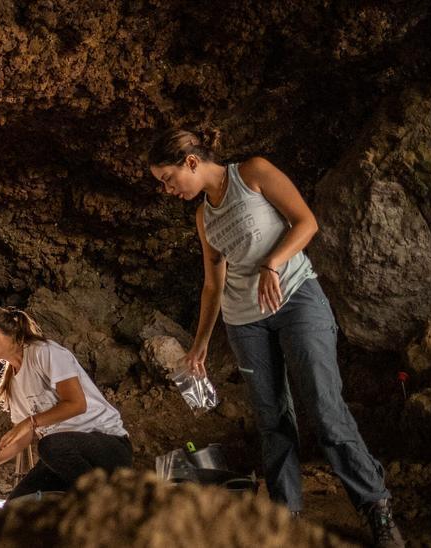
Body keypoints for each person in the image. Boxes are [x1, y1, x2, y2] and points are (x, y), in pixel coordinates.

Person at [147, 127, 403, 547]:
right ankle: (286, 519)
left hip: (296, 298)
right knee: (272, 420)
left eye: (168, 179)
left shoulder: (253, 173)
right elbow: (213, 285)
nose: (167, 189)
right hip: (244, 320)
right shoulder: (203, 216)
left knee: (324, 408)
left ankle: (376, 508)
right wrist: (200, 343)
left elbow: (306, 222)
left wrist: (272, 264)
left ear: (191, 162)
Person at [0, 306, 132, 500]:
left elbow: (76, 404)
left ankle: (107, 504)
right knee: (15, 506)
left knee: (50, 446)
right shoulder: (12, 380)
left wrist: (30, 421)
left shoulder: (44, 352)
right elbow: (22, 438)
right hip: (67, 457)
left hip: (107, 448)